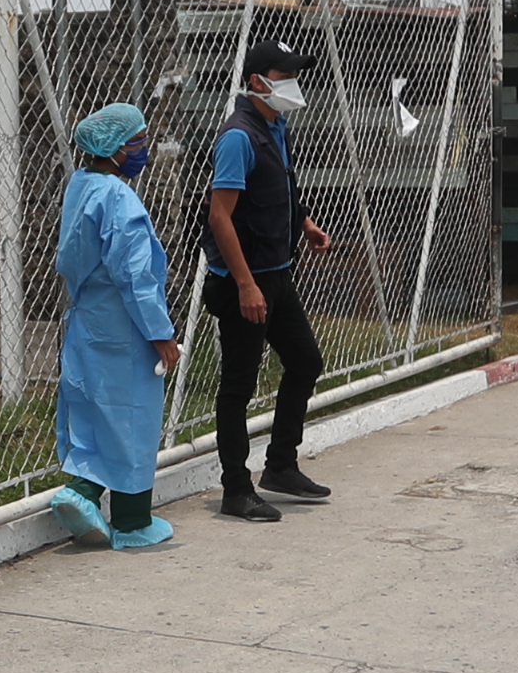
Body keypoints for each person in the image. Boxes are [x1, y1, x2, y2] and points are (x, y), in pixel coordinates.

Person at [202, 40, 338, 522]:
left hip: (277, 276)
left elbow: (278, 187)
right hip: (245, 283)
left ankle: (279, 465)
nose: (294, 84)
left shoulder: (274, 126)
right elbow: (221, 216)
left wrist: (304, 224)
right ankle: (235, 489)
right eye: (285, 75)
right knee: (238, 385)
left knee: (305, 362)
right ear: (258, 82)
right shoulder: (238, 136)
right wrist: (245, 285)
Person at [43, 103, 184, 550]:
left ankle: (80, 490)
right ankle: (131, 520)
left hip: (89, 319)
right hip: (126, 327)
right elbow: (136, 276)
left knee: (91, 410)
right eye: (137, 142)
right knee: (134, 419)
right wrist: (162, 335)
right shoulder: (120, 198)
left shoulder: (80, 186)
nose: (143, 149)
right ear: (116, 150)